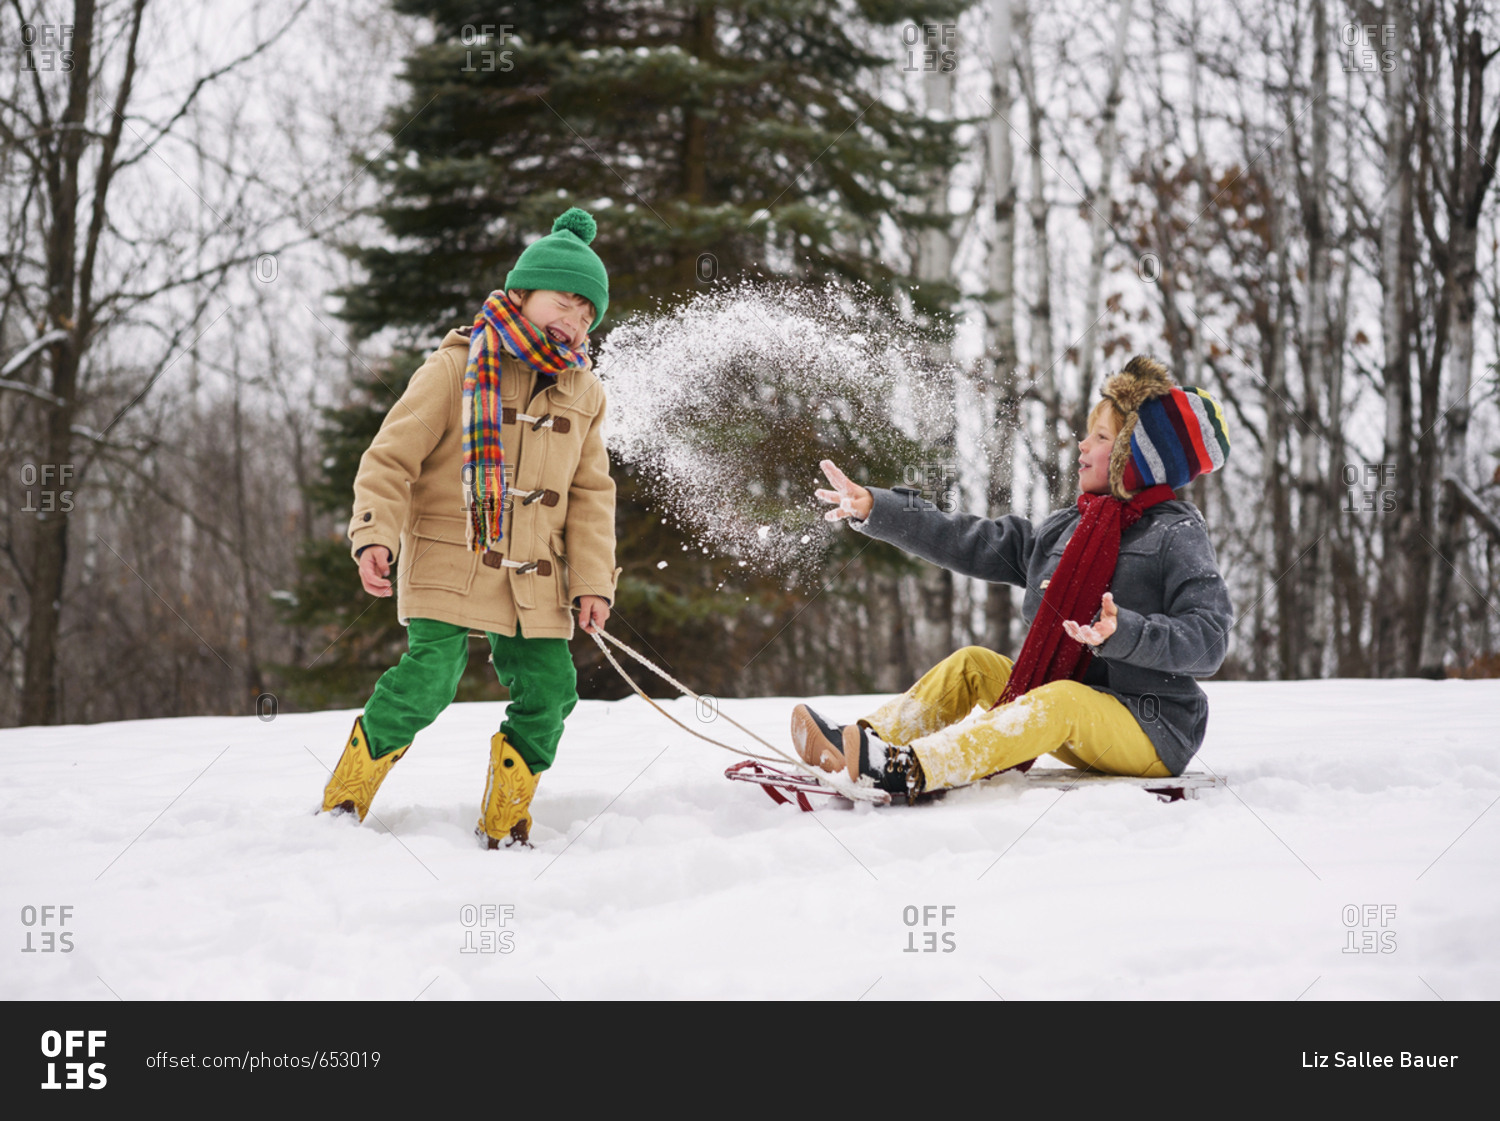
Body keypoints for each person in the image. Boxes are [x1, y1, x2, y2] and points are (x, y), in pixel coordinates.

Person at [792, 355, 1233, 803]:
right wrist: (878, 508)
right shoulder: (1069, 529)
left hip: (1152, 728)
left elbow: (1209, 640)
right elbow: (968, 539)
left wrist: (1126, 633)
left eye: (1100, 437)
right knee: (973, 665)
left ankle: (911, 768)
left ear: (1137, 457)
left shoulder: (1176, 533)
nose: (1082, 445)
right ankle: (862, 744)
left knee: (1061, 699)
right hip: (1071, 708)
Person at [320, 207, 620, 847]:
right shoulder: (457, 366)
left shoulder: (584, 392)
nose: (573, 319)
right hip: (451, 552)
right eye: (563, 301)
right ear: (522, 293)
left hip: (535, 572)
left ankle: (506, 819)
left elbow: (592, 495)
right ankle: (346, 798)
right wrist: (374, 531)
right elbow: (390, 456)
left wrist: (593, 580)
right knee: (430, 678)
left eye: (586, 312)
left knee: (552, 688)